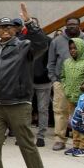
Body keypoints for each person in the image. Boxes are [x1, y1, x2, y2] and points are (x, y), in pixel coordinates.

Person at [0, 7, 49, 168]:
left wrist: (29, 23)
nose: (5, 30)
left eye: (9, 27)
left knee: (26, 142)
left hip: (18, 102)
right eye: (1, 27)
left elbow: (42, 43)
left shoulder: (24, 46)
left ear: (15, 29)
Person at [47, 16, 84, 151]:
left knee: (82, 112)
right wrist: (54, 79)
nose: (71, 26)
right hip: (61, 82)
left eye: (74, 24)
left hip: (82, 84)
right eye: (69, 24)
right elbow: (50, 62)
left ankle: (82, 142)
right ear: (65, 26)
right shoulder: (56, 41)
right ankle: (59, 139)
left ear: (79, 25)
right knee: (60, 111)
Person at [60, 38, 84, 157]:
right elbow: (62, 76)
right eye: (71, 48)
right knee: (73, 122)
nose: (73, 50)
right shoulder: (67, 62)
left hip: (83, 98)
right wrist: (65, 86)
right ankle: (75, 145)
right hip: (70, 97)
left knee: (83, 121)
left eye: (75, 48)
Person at [30, 18, 53, 147]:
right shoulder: (24, 40)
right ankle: (25, 134)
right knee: (26, 108)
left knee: (42, 109)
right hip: (27, 80)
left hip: (44, 80)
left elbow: (52, 59)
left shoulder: (48, 40)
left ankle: (41, 135)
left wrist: (48, 73)